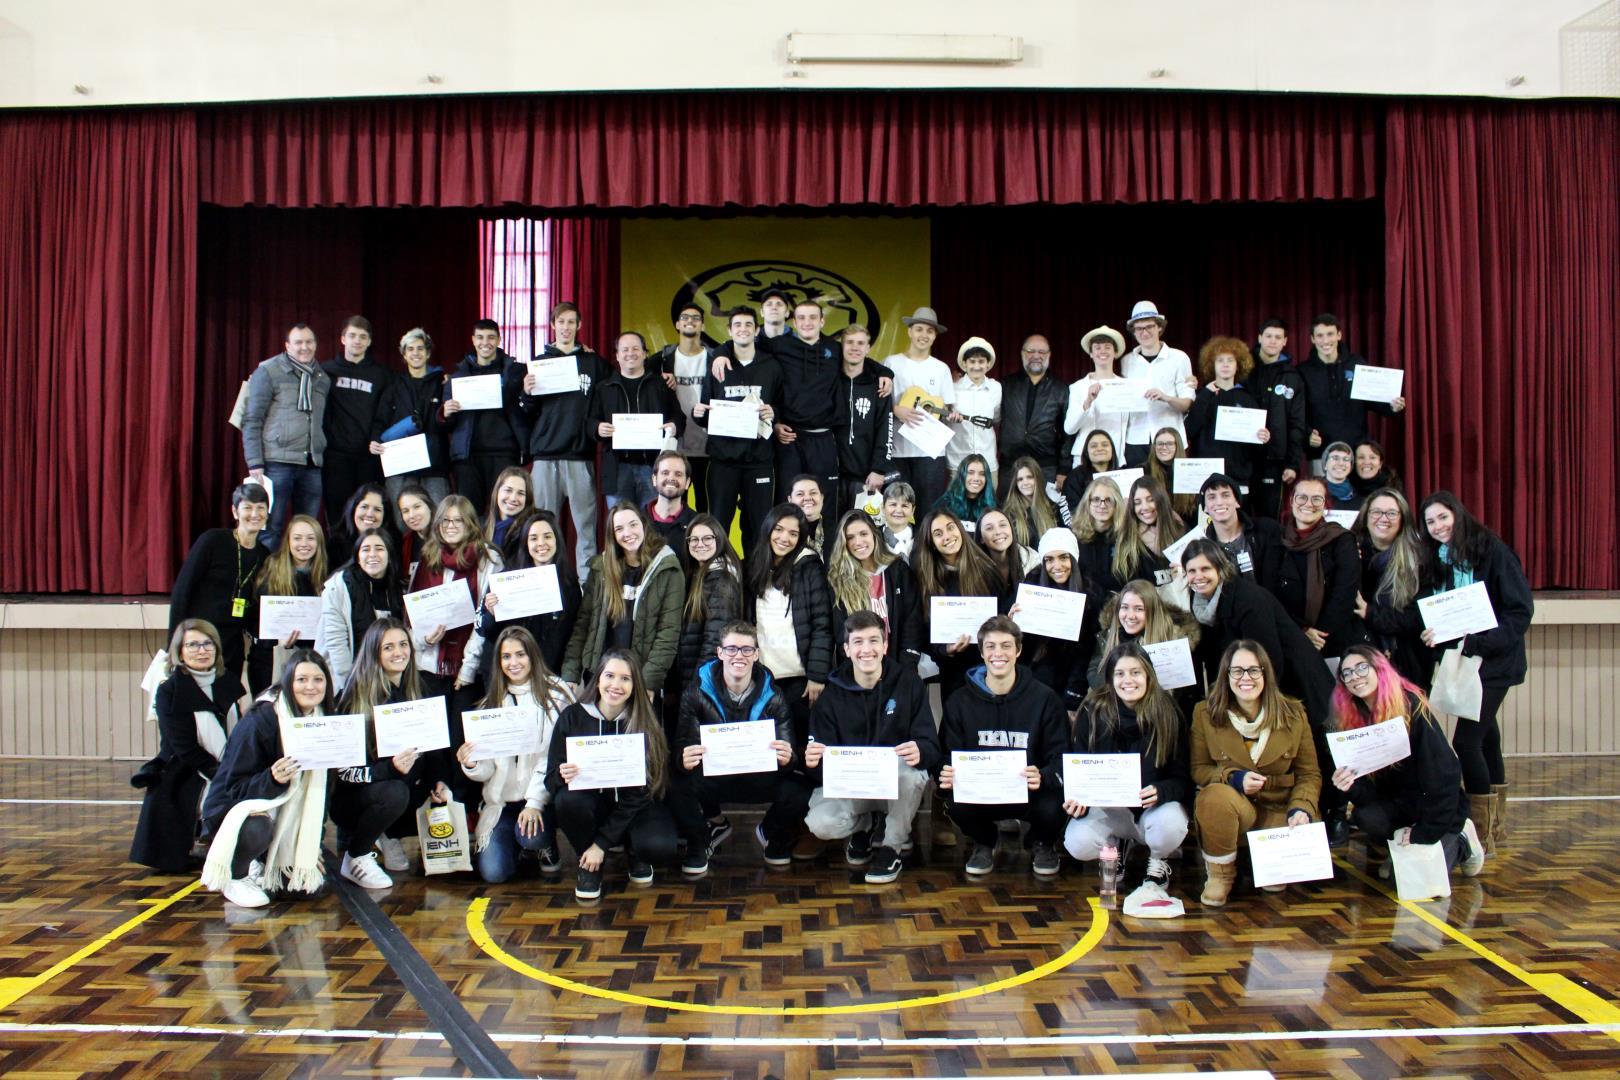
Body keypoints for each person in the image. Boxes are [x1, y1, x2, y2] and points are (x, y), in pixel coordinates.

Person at [1181, 540, 1342, 839]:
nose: (1198, 576)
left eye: (1205, 568)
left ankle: (1326, 822)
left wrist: (1258, 702)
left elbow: (1269, 661)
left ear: (1221, 569)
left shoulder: (1246, 599)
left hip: (1295, 682)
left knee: (1315, 753)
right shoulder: (1204, 603)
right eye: (1191, 571)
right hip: (1265, 683)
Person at [1419, 491, 1533, 851]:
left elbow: (1520, 611)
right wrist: (1433, 633)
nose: (1438, 527)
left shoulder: (1492, 551)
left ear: (1458, 514)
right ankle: (1495, 827)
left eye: (1443, 517)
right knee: (1487, 738)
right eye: (1431, 522)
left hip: (1495, 663)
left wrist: (1480, 644)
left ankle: (1481, 830)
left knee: (1465, 742)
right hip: (1463, 662)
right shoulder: (1437, 560)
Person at [804, 612, 941, 884]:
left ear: (885, 645)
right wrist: (813, 761)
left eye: (873, 641)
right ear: (846, 649)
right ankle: (865, 826)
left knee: (913, 774)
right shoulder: (830, 695)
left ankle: (892, 846)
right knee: (819, 823)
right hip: (853, 787)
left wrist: (921, 750)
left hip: (893, 785)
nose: (866, 650)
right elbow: (819, 770)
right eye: (857, 642)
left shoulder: (908, 682)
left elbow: (931, 746)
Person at [1329, 645, 1485, 879]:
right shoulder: (1350, 719)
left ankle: (1463, 838)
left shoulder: (1411, 706)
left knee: (1418, 880)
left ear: (1379, 668)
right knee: (1365, 817)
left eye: (1362, 668)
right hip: (1398, 805)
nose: (1355, 677)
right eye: (1347, 673)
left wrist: (1424, 832)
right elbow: (1368, 794)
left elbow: (1444, 776)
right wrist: (1349, 784)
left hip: (1434, 806)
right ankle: (1399, 849)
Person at [669, 621, 814, 870]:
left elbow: (789, 757)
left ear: (756, 654)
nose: (739, 655)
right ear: (720, 653)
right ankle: (700, 840)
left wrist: (787, 757)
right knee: (674, 782)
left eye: (747, 649)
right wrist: (684, 758)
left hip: (758, 778)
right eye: (732, 649)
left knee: (800, 787)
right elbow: (684, 745)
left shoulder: (775, 696)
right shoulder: (695, 693)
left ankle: (771, 832)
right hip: (714, 779)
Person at [199, 651, 336, 908]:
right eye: (301, 679)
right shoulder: (261, 719)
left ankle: (265, 861)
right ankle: (238, 874)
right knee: (257, 828)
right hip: (234, 809)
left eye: (318, 680)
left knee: (302, 891)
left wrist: (311, 847)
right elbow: (234, 787)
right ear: (287, 682)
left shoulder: (323, 719)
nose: (310, 687)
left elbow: (322, 791)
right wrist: (272, 777)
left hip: (279, 809)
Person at [1191, 640, 1321, 906]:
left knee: (1274, 886)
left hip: (1279, 809)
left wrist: (1302, 809)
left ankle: (1258, 859)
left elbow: (1310, 774)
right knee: (1213, 797)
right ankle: (1220, 874)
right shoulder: (1204, 713)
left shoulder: (1294, 714)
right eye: (1237, 671)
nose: (1245, 678)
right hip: (1236, 810)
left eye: (1253, 670)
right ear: (1226, 676)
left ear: (1266, 673)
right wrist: (1234, 778)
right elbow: (1199, 770)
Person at [1067, 644, 1193, 917]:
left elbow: (1183, 779)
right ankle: (1116, 845)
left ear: (1148, 675)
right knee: (1078, 842)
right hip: (1112, 810)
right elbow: (1079, 770)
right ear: (1110, 679)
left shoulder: (1169, 712)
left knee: (1170, 825)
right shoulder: (1092, 710)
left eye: (1136, 672)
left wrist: (1161, 790)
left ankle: (1158, 861)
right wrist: (1077, 800)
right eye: (1120, 673)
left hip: (1152, 810)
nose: (1128, 680)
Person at [937, 616, 1067, 877]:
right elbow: (946, 754)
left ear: (1018, 651)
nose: (999, 653)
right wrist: (946, 772)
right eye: (991, 646)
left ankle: (1041, 841)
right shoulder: (959, 700)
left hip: (1030, 792)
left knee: (1058, 799)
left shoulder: (1045, 698)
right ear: (982, 652)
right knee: (953, 799)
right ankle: (984, 841)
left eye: (1006, 646)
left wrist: (1042, 775)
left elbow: (1061, 757)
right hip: (981, 792)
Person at [546, 649, 678, 900]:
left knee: (659, 846)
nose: (616, 685)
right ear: (598, 679)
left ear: (634, 684)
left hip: (634, 806)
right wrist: (562, 776)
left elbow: (644, 792)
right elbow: (550, 781)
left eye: (625, 678)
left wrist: (602, 843)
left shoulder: (644, 720)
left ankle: (634, 850)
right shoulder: (572, 717)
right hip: (593, 805)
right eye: (610, 676)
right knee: (566, 801)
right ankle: (590, 865)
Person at [456, 626, 574, 882]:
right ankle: (516, 844)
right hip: (502, 803)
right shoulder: (491, 703)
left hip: (543, 798)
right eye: (506, 657)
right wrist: (472, 763)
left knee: (531, 836)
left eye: (520, 654)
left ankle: (542, 843)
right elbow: (487, 771)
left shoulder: (555, 693)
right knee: (494, 873)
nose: (514, 662)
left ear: (532, 655)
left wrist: (534, 803)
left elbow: (552, 757)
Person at [130, 620, 244, 873]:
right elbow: (182, 745)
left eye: (207, 644)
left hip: (227, 763)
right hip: (186, 766)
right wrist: (222, 774)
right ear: (179, 652)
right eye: (192, 645)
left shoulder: (228, 681)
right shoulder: (169, 690)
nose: (201, 650)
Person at [335, 618, 438, 882]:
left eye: (403, 644)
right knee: (395, 791)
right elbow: (343, 773)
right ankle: (355, 855)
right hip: (354, 796)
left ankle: (389, 834)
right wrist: (389, 769)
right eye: (388, 647)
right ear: (374, 653)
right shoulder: (353, 698)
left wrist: (440, 781)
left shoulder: (419, 687)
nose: (399, 653)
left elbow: (435, 745)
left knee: (424, 774)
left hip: (399, 785)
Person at [562, 505, 684, 701]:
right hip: (600, 677)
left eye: (633, 525)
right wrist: (571, 673)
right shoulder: (601, 568)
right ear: (612, 534)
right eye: (619, 529)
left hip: (639, 678)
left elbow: (668, 633)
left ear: (644, 525)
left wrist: (648, 682)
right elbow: (583, 625)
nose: (627, 533)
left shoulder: (668, 567)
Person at [522, 301, 609, 571]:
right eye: (561, 322)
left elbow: (616, 389)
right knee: (542, 529)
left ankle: (587, 587)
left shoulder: (593, 363)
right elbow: (528, 411)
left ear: (579, 326)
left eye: (572, 322)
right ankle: (545, 584)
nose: (566, 327)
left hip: (579, 455)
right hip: (545, 456)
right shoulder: (539, 363)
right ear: (553, 325)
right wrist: (526, 392)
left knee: (585, 529)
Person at [744, 504, 834, 743]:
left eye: (793, 534)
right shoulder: (752, 566)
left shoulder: (809, 566)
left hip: (800, 677)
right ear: (768, 529)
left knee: (802, 744)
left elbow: (822, 624)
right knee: (769, 747)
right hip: (761, 677)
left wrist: (816, 675)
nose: (785, 538)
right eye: (779, 529)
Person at [169, 482, 270, 688]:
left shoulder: (265, 556)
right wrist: (173, 644)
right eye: (248, 507)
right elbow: (182, 592)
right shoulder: (212, 541)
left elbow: (257, 609)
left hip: (232, 650)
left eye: (261, 508)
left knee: (227, 710)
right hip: (198, 645)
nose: (255, 514)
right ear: (235, 511)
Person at [698, 306, 782, 554]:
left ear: (756, 330)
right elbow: (707, 409)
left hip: (759, 460)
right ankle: (718, 578)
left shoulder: (772, 366)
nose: (743, 329)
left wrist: (773, 412)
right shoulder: (717, 364)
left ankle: (755, 584)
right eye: (737, 325)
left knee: (758, 527)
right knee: (719, 525)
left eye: (748, 324)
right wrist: (699, 415)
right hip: (724, 460)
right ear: (729, 330)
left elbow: (781, 405)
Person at [243, 324, 330, 547]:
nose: (304, 347)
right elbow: (252, 419)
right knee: (271, 528)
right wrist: (255, 462)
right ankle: (266, 580)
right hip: (276, 463)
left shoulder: (322, 377)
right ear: (287, 346)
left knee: (307, 530)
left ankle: (299, 579)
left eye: (309, 342)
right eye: (298, 342)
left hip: (311, 463)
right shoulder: (268, 371)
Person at [406, 495, 502, 697]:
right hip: (429, 665)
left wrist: (468, 667)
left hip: (472, 669)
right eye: (445, 520)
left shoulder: (488, 558)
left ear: (470, 524)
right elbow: (413, 616)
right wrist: (424, 639)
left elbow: (485, 616)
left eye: (458, 520)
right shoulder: (427, 557)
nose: (451, 526)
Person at [476, 510, 581, 677]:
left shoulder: (569, 583)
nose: (541, 543)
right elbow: (485, 631)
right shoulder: (505, 579)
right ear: (525, 543)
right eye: (533, 538)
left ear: (557, 540)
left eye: (547, 536)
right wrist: (491, 614)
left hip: (547, 673)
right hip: (506, 673)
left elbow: (573, 632)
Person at [914, 508, 1005, 697]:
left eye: (950, 528)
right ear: (931, 544)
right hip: (952, 674)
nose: (947, 536)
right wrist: (945, 650)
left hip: (992, 669)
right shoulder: (924, 580)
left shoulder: (987, 570)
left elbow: (1001, 617)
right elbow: (921, 633)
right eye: (938, 534)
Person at [590, 331, 684, 512]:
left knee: (653, 528)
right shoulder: (604, 388)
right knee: (620, 526)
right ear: (617, 356)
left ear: (644, 353)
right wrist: (597, 428)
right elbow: (590, 422)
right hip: (617, 469)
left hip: (653, 468)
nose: (630, 353)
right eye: (624, 350)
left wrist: (673, 426)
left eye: (635, 348)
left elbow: (679, 418)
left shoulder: (660, 385)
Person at [442, 319, 527, 517]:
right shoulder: (457, 377)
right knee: (470, 515)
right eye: (480, 337)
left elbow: (528, 407)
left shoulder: (515, 372)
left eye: (490, 337)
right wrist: (445, 413)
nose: (485, 342)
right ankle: (473, 550)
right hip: (468, 456)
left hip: (505, 453)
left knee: (507, 513)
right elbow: (447, 423)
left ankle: (503, 549)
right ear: (473, 340)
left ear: (498, 340)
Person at [1352, 487, 1433, 686]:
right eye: (1376, 512)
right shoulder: (1350, 553)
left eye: (1391, 513)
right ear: (1366, 516)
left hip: (1407, 658)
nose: (1383, 518)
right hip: (1361, 656)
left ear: (1402, 518)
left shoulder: (1419, 558)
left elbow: (1417, 618)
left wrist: (1370, 613)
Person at [1276, 477, 1364, 658]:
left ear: (1326, 504)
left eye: (1317, 498)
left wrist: (1318, 633)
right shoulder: (1278, 539)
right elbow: (1271, 593)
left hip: (1331, 639)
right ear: (1291, 501)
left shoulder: (1342, 539)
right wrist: (1302, 630)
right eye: (1302, 497)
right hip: (1290, 638)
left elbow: (1345, 592)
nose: (1309, 504)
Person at [826, 508, 924, 669]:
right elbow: (840, 632)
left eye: (863, 534)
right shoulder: (838, 580)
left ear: (874, 534)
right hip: (859, 670)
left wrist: (907, 664)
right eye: (850, 537)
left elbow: (912, 619)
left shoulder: (898, 569)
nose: (858, 542)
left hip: (900, 666)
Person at [1012, 527, 1093, 715]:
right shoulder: (1029, 588)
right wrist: (1013, 626)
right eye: (1049, 559)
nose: (1057, 566)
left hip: (1070, 684)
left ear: (1073, 558)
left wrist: (1073, 698)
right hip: (1033, 682)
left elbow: (1085, 654)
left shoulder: (1090, 594)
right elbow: (1021, 650)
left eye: (1063, 557)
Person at [321, 315, 393, 524]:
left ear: (369, 341)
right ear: (343, 338)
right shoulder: (326, 371)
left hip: (368, 458)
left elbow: (386, 413)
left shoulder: (382, 375)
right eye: (352, 335)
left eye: (362, 337)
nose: (357, 341)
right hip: (335, 457)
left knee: (369, 516)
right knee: (337, 516)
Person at [1298, 313, 1405, 452]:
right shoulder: (1302, 371)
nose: (1325, 340)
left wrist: (1392, 406)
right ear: (1312, 339)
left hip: (1356, 449)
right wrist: (1308, 433)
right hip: (1321, 452)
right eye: (1320, 336)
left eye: (1330, 334)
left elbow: (1372, 399)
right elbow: (1296, 412)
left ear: (1339, 335)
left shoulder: (1356, 363)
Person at [886, 306, 958, 511]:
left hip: (930, 452)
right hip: (898, 450)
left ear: (935, 336)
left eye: (929, 331)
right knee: (897, 509)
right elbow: (880, 404)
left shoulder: (941, 368)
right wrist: (895, 409)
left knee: (929, 510)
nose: (923, 335)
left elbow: (945, 408)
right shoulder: (892, 363)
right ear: (909, 331)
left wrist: (951, 414)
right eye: (919, 329)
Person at [247, 513, 328, 696]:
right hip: (269, 659)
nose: (304, 544)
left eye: (310, 538)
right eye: (297, 538)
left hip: (309, 661)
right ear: (288, 541)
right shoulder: (271, 568)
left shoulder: (325, 576)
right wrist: (277, 639)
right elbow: (257, 617)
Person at [378, 327, 451, 524]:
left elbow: (451, 424)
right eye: (410, 349)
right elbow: (381, 418)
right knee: (400, 521)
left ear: (428, 353)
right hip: (400, 464)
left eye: (420, 349)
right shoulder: (393, 384)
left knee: (438, 519)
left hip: (434, 463)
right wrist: (374, 440)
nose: (416, 353)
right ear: (404, 354)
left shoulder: (443, 383)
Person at [317, 528, 405, 692]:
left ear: (389, 554)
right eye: (366, 549)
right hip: (347, 680)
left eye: (379, 548)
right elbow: (336, 642)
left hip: (386, 678)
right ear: (357, 556)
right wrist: (350, 686)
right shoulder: (339, 587)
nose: (372, 554)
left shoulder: (398, 588)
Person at [673, 514, 745, 705]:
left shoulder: (722, 579)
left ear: (719, 540)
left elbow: (716, 639)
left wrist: (698, 684)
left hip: (704, 682)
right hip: (693, 676)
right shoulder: (700, 575)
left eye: (707, 538)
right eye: (694, 539)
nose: (700, 544)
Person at [1185, 336, 1270, 492]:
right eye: (1220, 360)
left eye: (1230, 360)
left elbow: (1256, 449)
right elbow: (1189, 430)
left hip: (1239, 476)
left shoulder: (1248, 399)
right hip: (1205, 474)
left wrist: (1263, 438)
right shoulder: (1200, 395)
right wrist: (1204, 396)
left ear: (1238, 365)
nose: (1225, 365)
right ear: (1212, 365)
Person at [1087, 579, 1201, 695]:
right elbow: (1094, 672)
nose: (1130, 616)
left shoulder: (1175, 640)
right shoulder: (1108, 636)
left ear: (1152, 611)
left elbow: (1185, 692)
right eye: (1125, 607)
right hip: (1114, 706)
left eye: (1139, 609)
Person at [1119, 301, 1197, 466]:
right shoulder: (1126, 361)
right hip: (1135, 439)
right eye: (1139, 328)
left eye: (1150, 327)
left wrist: (1165, 397)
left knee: (1170, 490)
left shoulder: (1179, 358)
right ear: (1133, 331)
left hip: (1170, 438)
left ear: (1159, 327)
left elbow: (1186, 404)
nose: (1145, 332)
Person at [655, 302, 714, 513]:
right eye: (685, 317)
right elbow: (634, 371)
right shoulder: (661, 362)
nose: (690, 321)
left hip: (708, 448)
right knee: (675, 509)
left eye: (696, 318)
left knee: (706, 510)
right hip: (675, 447)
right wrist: (658, 378)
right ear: (678, 324)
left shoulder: (716, 359)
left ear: (703, 326)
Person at [834, 322, 896, 522]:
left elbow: (885, 430)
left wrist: (879, 469)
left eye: (860, 343)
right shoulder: (829, 379)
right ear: (841, 346)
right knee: (832, 532)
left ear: (868, 348)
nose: (855, 347)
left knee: (864, 530)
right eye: (850, 342)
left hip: (865, 476)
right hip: (831, 474)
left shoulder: (879, 386)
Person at [1249, 319, 1308, 521]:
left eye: (1277, 337)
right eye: (1268, 336)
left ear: (1285, 341)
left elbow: (1297, 422)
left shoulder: (1293, 377)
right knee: (1241, 515)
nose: (1272, 341)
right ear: (1259, 338)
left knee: (1269, 519)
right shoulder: (1244, 369)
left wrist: (1293, 463)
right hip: (1243, 459)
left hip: (1275, 460)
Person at [1075, 477, 1170, 599]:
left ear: (1117, 504)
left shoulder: (1129, 537)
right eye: (1096, 499)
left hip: (1123, 605)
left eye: (1108, 500)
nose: (1102, 505)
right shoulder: (1073, 538)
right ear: (1087, 503)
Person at [997, 333, 1069, 491]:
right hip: (1010, 466)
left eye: (1042, 352)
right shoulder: (1005, 385)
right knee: (1008, 513)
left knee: (1044, 514)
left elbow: (1067, 433)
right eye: (1030, 351)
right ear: (1022, 353)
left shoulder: (1060, 389)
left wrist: (1063, 470)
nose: (1036, 355)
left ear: (1049, 355)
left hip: (1046, 467)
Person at [1193, 473, 1284, 593]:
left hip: (1268, 607)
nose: (1219, 502)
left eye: (1225, 495)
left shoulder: (1267, 530)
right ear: (1205, 508)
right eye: (1212, 497)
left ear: (1237, 501)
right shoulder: (1203, 549)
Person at [1063, 325, 1131, 475]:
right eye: (1097, 348)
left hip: (1115, 459)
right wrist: (1087, 402)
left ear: (1115, 353)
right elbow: (1069, 428)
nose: (1103, 351)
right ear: (1091, 354)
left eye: (1107, 347)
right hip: (1084, 458)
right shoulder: (1078, 387)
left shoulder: (1126, 386)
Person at [947, 336, 1001, 489]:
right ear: (964, 364)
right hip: (958, 461)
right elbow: (942, 420)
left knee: (987, 509)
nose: (976, 366)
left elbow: (997, 418)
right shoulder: (953, 388)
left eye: (981, 361)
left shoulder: (996, 388)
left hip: (987, 462)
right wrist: (951, 418)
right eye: (972, 361)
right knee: (956, 511)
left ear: (988, 364)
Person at [1002, 455, 1072, 549]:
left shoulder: (1052, 508)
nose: (1025, 482)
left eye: (1029, 477)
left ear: (1037, 478)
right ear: (1015, 483)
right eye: (1020, 479)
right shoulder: (1009, 513)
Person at [1144, 427, 1201, 535]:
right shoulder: (1144, 471)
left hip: (1186, 531)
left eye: (1169, 444)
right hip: (1154, 530)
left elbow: (1194, 512)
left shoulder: (1191, 471)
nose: (1164, 447)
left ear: (1178, 446)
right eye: (1160, 444)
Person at [645, 451, 696, 558]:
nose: (671, 478)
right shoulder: (637, 521)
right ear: (654, 479)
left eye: (678, 474)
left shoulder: (698, 524)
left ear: (687, 483)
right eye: (665, 473)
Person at [1060, 429, 1121, 520]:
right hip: (1084, 530)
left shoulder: (1123, 475)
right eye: (1093, 446)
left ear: (1112, 450)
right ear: (1086, 452)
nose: (1100, 448)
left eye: (1105, 445)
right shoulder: (1074, 477)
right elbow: (1068, 512)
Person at [976, 507, 1040, 594]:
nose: (998, 532)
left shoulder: (1032, 560)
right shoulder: (972, 568)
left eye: (1002, 525)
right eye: (989, 528)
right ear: (981, 538)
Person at [933, 453, 996, 532]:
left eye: (982, 474)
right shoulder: (944, 505)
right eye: (970, 472)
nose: (976, 478)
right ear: (962, 476)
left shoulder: (993, 506)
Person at [483, 466, 534, 560]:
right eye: (508, 490)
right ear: (497, 492)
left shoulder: (532, 528)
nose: (513, 498)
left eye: (521, 493)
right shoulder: (481, 527)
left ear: (527, 499)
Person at [330, 482, 391, 561]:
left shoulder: (393, 545)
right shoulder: (335, 546)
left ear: (385, 516)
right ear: (353, 509)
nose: (370, 514)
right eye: (364, 507)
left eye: (377, 509)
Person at [1128, 476, 1185, 559]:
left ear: (1161, 500)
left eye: (1151, 500)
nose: (1145, 507)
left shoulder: (1181, 529)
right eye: (1137, 503)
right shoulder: (1129, 539)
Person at [395, 482, 438, 576]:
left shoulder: (448, 535)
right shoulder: (405, 543)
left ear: (429, 506)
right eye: (405, 511)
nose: (412, 515)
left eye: (417, 507)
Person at [787, 474, 830, 555]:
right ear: (790, 500)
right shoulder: (783, 532)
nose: (807, 498)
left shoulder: (838, 531)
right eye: (800, 494)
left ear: (822, 497)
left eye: (813, 493)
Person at [1320, 442, 1362, 512]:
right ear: (1325, 465)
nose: (1341, 463)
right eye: (1335, 458)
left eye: (1346, 459)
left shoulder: (1359, 497)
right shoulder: (1313, 493)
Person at [881, 481, 918, 561]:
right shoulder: (874, 537)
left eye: (904, 506)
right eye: (893, 504)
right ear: (883, 508)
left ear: (913, 510)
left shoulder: (923, 537)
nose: (898, 510)